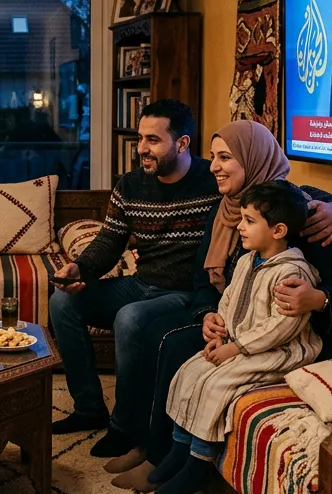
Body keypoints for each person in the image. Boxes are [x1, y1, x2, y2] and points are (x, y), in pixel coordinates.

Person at [106, 120, 332, 491]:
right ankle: (142, 441)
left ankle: (160, 454)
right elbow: (202, 280)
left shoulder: (296, 213)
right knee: (149, 329)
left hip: (276, 332)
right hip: (231, 317)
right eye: (214, 157)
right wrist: (206, 314)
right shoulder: (226, 208)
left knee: (169, 341)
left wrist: (319, 297)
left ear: (252, 159)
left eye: (225, 158)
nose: (214, 167)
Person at [49, 100, 218, 445]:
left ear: (182, 143)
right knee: (61, 303)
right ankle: (88, 408)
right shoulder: (130, 185)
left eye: (153, 140)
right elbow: (109, 241)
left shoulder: (213, 180)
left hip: (185, 293)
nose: (141, 148)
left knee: (129, 318)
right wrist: (80, 268)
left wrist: (328, 207)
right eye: (140, 138)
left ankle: (124, 427)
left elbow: (279, 188)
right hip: (142, 283)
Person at [152, 180, 322, 494]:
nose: (240, 227)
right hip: (238, 343)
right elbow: (228, 300)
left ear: (278, 230)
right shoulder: (247, 260)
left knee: (217, 383)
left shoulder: (291, 272)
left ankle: (199, 461)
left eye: (249, 221)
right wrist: (220, 332)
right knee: (190, 371)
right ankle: (179, 447)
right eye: (241, 218)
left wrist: (236, 348)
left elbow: (281, 327)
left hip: (277, 352)